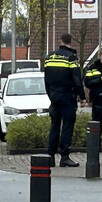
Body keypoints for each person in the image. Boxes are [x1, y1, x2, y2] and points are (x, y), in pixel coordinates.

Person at [43, 33, 83, 168]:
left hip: (54, 97)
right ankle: (64, 157)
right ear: (70, 42)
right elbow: (77, 79)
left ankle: (51, 156)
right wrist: (82, 96)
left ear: (60, 41)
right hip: (67, 97)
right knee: (67, 126)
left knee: (54, 126)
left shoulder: (49, 57)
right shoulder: (71, 58)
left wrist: (51, 96)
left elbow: (46, 80)